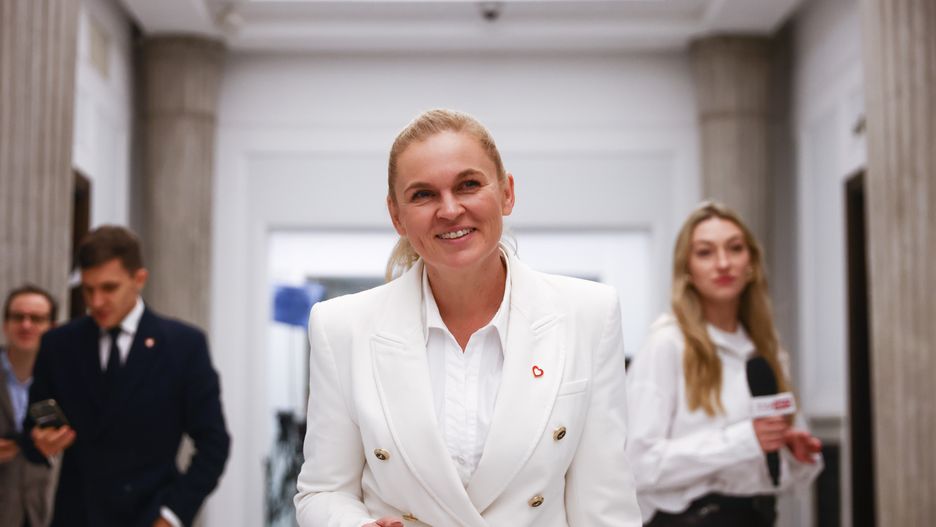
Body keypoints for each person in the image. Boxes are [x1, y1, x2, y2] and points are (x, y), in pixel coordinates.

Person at [294, 109, 641, 527]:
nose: (450, 209)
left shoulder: (589, 315)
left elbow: (606, 507)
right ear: (396, 216)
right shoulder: (341, 327)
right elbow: (322, 491)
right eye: (423, 195)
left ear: (507, 193)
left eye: (469, 185)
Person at [625, 201, 823, 527]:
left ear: (752, 263)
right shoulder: (667, 344)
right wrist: (746, 440)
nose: (723, 263)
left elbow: (777, 477)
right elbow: (639, 465)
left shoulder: (767, 349)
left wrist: (794, 456)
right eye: (705, 252)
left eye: (735, 249)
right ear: (686, 269)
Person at [21, 226, 231, 527]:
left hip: (148, 514)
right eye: (88, 290)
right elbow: (35, 429)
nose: (96, 302)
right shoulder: (59, 344)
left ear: (139, 279)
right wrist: (41, 443)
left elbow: (214, 443)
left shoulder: (183, 345)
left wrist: (171, 515)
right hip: (77, 515)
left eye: (109, 288)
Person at [1, 285, 58, 526]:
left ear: (52, 328)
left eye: (36, 318)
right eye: (18, 317)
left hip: (40, 512)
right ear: (5, 324)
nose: (26, 325)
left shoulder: (64, 380)